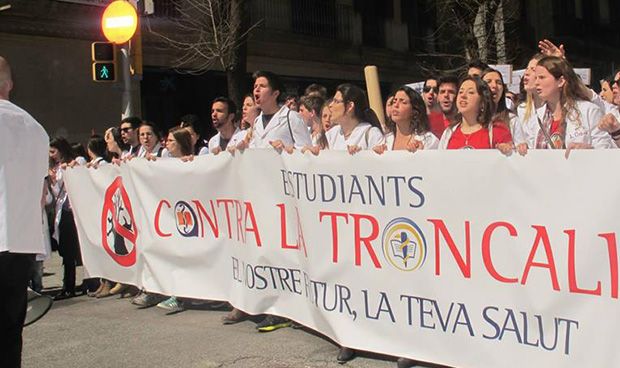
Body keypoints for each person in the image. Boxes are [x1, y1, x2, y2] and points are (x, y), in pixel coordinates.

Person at [0, 56, 49, 368]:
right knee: (10, 333)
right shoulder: (37, 128)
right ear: (10, 85)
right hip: (21, 243)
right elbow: (42, 193)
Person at [519, 56, 614, 154]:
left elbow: (606, 151)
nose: (537, 82)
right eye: (536, 78)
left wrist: (588, 151)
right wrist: (523, 148)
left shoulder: (589, 111)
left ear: (560, 81)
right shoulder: (536, 116)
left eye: (542, 77)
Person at [438, 76, 513, 153]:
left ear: (482, 102)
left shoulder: (497, 131)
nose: (463, 96)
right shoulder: (448, 133)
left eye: (470, 92)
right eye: (460, 92)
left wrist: (507, 148)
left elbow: (510, 159)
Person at [242, 71, 311, 151]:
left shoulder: (291, 117)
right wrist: (242, 149)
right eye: (255, 86)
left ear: (275, 94)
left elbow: (307, 150)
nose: (257, 90)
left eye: (262, 86)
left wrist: (287, 149)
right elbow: (253, 151)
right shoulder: (257, 121)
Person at [374, 86, 438, 154]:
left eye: (403, 102)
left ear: (414, 111)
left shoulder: (428, 140)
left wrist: (421, 155)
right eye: (394, 101)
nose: (396, 105)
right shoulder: (385, 141)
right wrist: (377, 155)